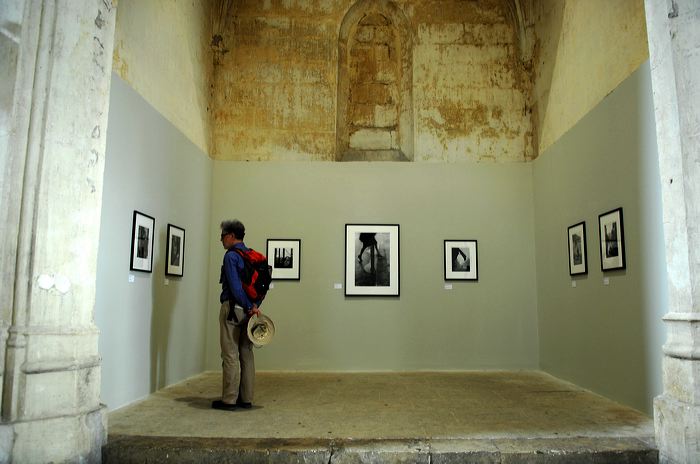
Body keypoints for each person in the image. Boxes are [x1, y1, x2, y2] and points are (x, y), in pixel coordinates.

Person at [212, 219, 262, 411]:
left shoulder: (231, 257)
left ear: (231, 236)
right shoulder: (252, 256)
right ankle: (247, 399)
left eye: (222, 236)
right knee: (246, 353)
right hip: (249, 312)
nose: (221, 240)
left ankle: (229, 399)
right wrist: (254, 307)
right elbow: (260, 287)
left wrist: (248, 305)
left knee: (230, 354)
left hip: (233, 309)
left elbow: (234, 287)